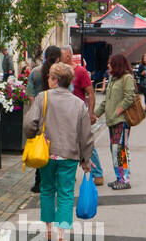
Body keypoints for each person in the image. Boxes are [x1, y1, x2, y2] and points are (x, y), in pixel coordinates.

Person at [23, 61, 93, 241]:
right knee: (66, 192)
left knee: (47, 189)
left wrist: (33, 135)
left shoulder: (42, 97)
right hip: (69, 154)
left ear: (54, 80)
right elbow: (86, 134)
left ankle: (48, 229)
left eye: (49, 77)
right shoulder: (79, 104)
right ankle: (61, 233)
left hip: (47, 153)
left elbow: (30, 124)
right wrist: (86, 159)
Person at [61, 46, 104, 187]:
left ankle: (97, 173)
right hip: (64, 116)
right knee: (67, 146)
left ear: (68, 56)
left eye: (61, 56)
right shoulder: (60, 72)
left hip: (79, 114)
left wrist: (91, 112)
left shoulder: (80, 71)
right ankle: (69, 175)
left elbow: (90, 93)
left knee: (86, 144)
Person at [95, 52, 136, 190]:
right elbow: (106, 101)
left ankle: (125, 179)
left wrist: (119, 110)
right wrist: (95, 115)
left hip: (122, 120)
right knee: (114, 150)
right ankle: (119, 177)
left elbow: (129, 97)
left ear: (117, 64)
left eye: (110, 63)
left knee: (120, 150)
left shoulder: (127, 78)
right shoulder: (112, 79)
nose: (108, 66)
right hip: (112, 120)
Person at [25, 46, 61, 194]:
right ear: (58, 58)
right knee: (55, 148)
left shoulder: (35, 72)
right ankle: (54, 179)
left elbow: (30, 93)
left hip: (41, 114)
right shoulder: (61, 73)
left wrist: (35, 109)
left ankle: (39, 181)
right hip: (56, 114)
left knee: (41, 146)